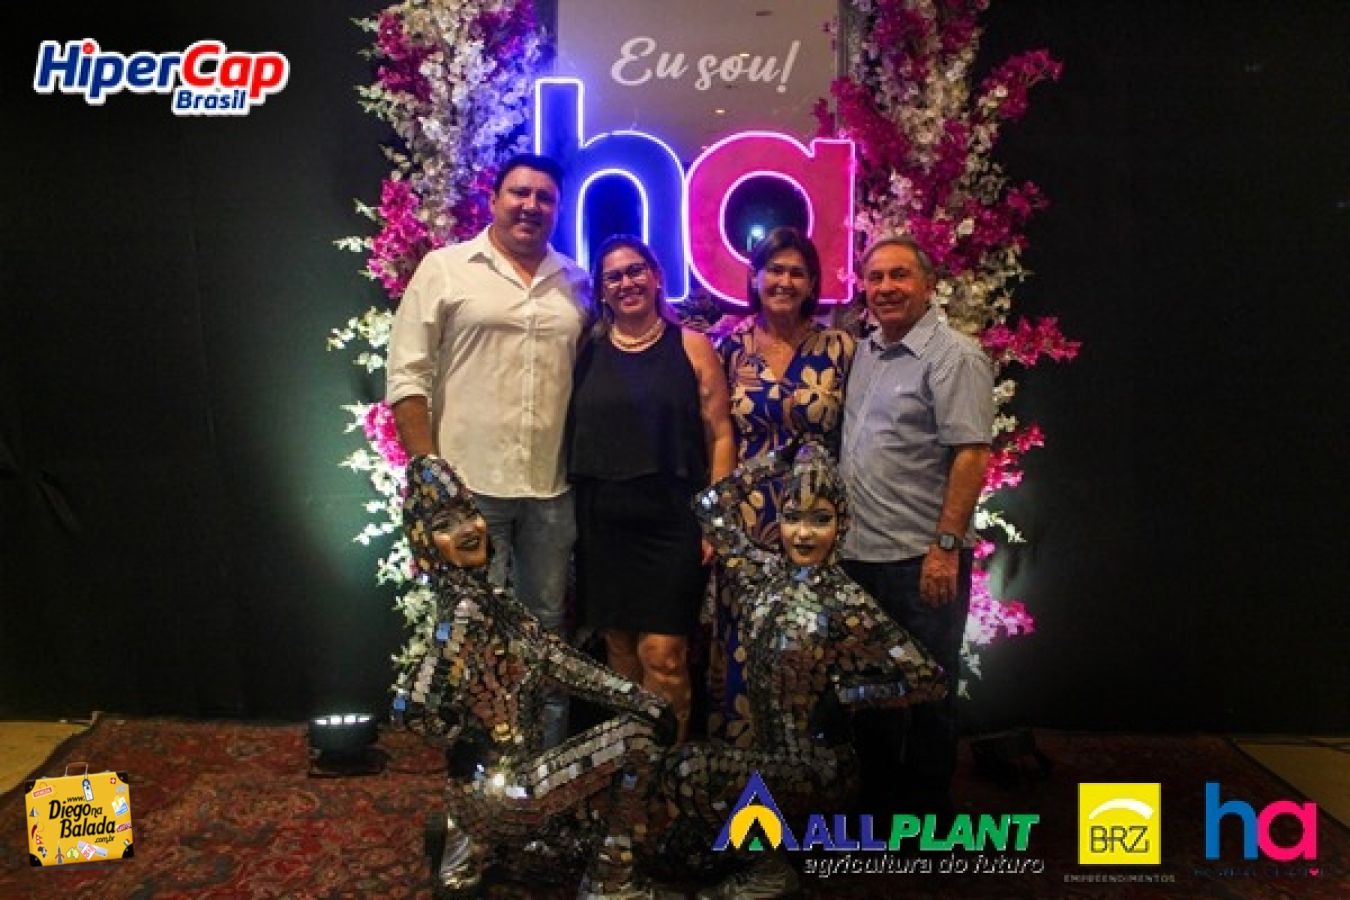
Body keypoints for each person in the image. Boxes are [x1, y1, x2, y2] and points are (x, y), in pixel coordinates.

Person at [665, 440, 946, 899]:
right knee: (681, 815)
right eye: (793, 517)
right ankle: (748, 847)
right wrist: (771, 464)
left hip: (818, 767)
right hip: (767, 755)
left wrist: (847, 695)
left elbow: (928, 678)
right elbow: (709, 505)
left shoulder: (845, 600)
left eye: (820, 520)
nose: (803, 534)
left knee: (688, 769)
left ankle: (770, 869)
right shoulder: (762, 574)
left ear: (841, 524)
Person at [393, 455, 676, 900]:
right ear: (426, 545)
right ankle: (610, 882)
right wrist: (467, 748)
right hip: (503, 795)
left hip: (509, 784)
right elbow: (411, 706)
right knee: (639, 740)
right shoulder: (467, 613)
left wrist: (639, 699)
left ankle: (465, 838)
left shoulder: (496, 604)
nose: (467, 529)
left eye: (468, 514)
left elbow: (560, 662)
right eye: (445, 525)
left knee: (629, 734)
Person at [386, 153, 589, 748]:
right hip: (469, 494)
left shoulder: (575, 282)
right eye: (519, 193)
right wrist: (431, 480)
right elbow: (408, 376)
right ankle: (482, 764)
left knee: (546, 630)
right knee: (472, 632)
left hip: (551, 489)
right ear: (494, 198)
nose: (531, 205)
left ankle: (544, 759)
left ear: (557, 209)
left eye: (544, 197)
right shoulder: (446, 269)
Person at [839, 235, 994, 823]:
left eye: (899, 275)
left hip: (919, 558)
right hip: (860, 557)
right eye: (875, 277)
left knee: (927, 694)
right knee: (871, 694)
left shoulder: (955, 356)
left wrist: (945, 548)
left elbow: (971, 454)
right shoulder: (866, 352)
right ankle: (878, 811)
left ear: (928, 284)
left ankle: (927, 818)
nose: (885, 288)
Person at [567, 235, 735, 743]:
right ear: (601, 290)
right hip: (603, 522)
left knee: (663, 655)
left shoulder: (692, 345)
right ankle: (633, 766)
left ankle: (670, 770)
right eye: (614, 276)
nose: (627, 282)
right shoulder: (586, 349)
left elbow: (720, 434)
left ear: (657, 276)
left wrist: (716, 518)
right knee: (620, 653)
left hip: (671, 523)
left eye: (636, 270)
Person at [710, 226, 855, 745]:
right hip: (749, 520)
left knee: (809, 640)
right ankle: (748, 763)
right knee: (748, 636)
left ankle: (808, 764)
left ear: (812, 283)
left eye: (798, 272)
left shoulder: (840, 348)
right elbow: (716, 434)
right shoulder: (729, 346)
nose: (785, 281)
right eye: (775, 270)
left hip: (815, 521)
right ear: (755, 277)